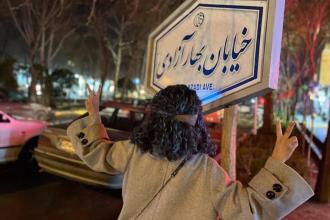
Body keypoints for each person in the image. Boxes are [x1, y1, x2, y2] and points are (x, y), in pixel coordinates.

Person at [67, 84, 314, 220]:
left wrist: (94, 117)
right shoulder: (207, 171)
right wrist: (276, 162)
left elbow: (97, 152)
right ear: (196, 124)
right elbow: (247, 212)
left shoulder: (134, 150)